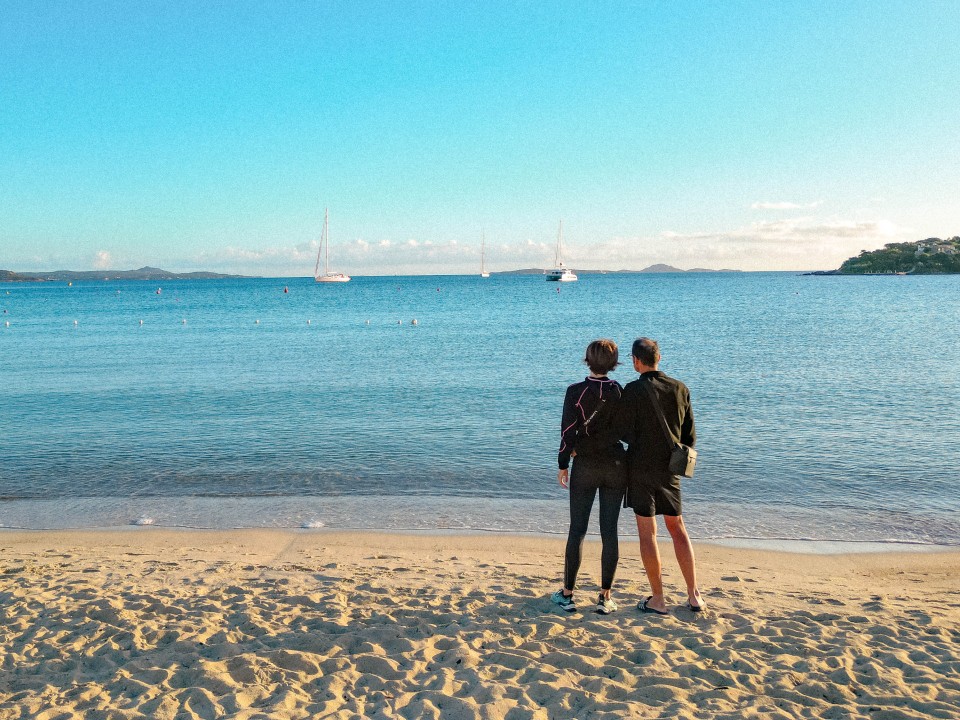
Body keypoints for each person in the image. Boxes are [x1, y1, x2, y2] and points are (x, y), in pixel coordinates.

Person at [620, 337, 704, 614]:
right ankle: (693, 595)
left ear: (635, 361)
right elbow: (689, 436)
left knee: (648, 533)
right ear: (659, 358)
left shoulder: (631, 391)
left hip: (641, 468)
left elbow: (624, 433)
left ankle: (658, 599)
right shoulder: (680, 389)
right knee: (677, 527)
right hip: (670, 468)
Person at [552, 339, 627, 615]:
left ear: (587, 360)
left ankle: (568, 594)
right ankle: (605, 597)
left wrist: (563, 463)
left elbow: (567, 431)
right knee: (610, 531)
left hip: (585, 466)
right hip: (616, 466)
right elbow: (626, 432)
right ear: (614, 363)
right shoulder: (620, 391)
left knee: (578, 529)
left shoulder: (576, 391)